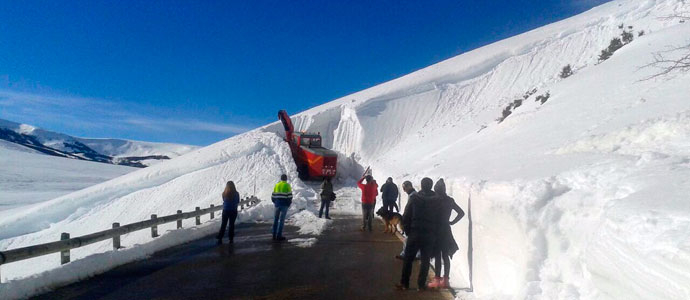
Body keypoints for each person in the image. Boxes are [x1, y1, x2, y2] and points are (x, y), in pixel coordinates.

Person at [396, 177, 442, 291]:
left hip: (415, 231)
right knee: (425, 260)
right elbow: (439, 218)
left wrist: (407, 230)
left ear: (421, 186)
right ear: (431, 186)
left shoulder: (415, 198)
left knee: (408, 259)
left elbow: (406, 215)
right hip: (429, 233)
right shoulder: (437, 200)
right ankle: (421, 285)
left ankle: (405, 283)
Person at [427, 178, 464, 289]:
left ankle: (437, 280)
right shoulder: (450, 200)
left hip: (435, 229)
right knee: (446, 255)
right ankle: (446, 281)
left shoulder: (433, 200)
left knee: (438, 255)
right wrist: (452, 222)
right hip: (446, 229)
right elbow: (461, 213)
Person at [396, 181, 420, 260]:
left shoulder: (413, 196)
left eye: (404, 188)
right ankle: (416, 255)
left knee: (408, 239)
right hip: (413, 221)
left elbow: (410, 210)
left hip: (411, 221)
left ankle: (406, 254)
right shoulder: (412, 195)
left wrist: (405, 220)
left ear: (409, 186)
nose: (403, 190)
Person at [271, 174, 293, 241]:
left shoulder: (277, 185)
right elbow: (290, 196)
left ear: (281, 179)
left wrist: (275, 202)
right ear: (286, 179)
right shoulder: (287, 185)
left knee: (275, 220)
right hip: (284, 205)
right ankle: (279, 236)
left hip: (277, 205)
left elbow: (273, 196)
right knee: (281, 221)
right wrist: (288, 204)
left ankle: (274, 235)